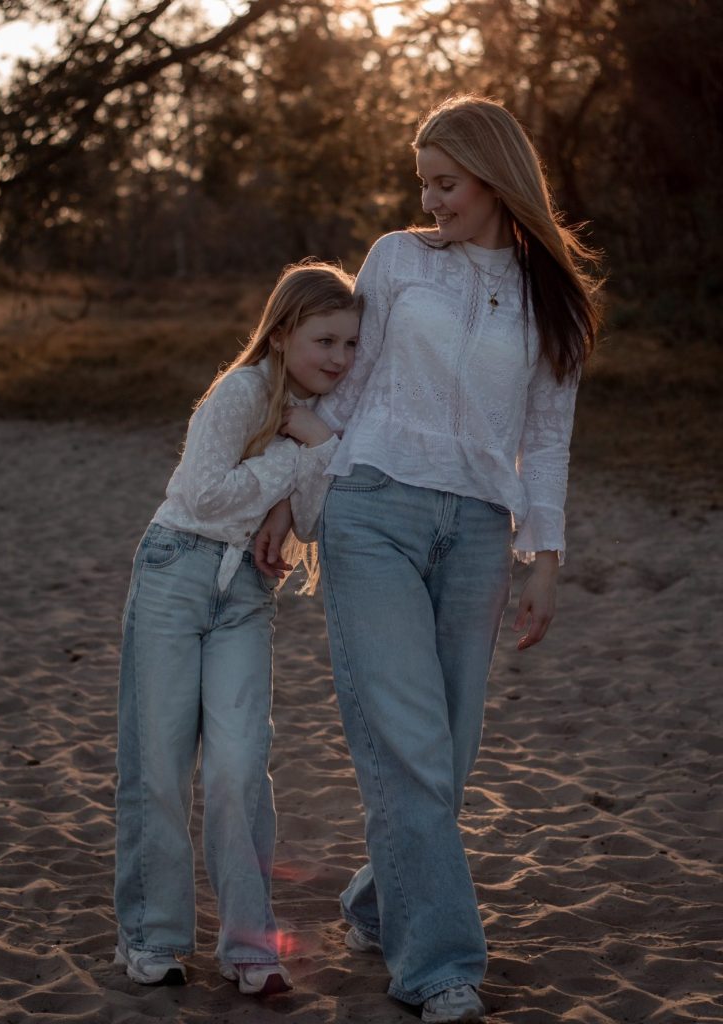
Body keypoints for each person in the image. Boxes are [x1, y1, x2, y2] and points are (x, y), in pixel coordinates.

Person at [256, 95, 601, 1023]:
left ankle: (379, 899)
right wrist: (291, 493)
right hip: (373, 508)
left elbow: (548, 433)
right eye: (424, 184)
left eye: (446, 183)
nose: (432, 200)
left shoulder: (546, 295)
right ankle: (439, 966)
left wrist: (547, 557)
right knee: (407, 744)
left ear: (494, 178)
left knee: (448, 751)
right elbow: (349, 384)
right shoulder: (398, 260)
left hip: (483, 528)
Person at [113, 261, 361, 995]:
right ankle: (150, 937)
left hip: (249, 593)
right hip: (174, 572)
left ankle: (251, 947)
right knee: (157, 767)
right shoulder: (242, 390)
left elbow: (313, 518)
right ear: (282, 335)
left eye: (350, 344)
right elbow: (203, 493)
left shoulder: (324, 418)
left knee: (238, 770)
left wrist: (311, 450)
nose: (339, 360)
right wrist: (294, 453)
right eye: (325, 341)